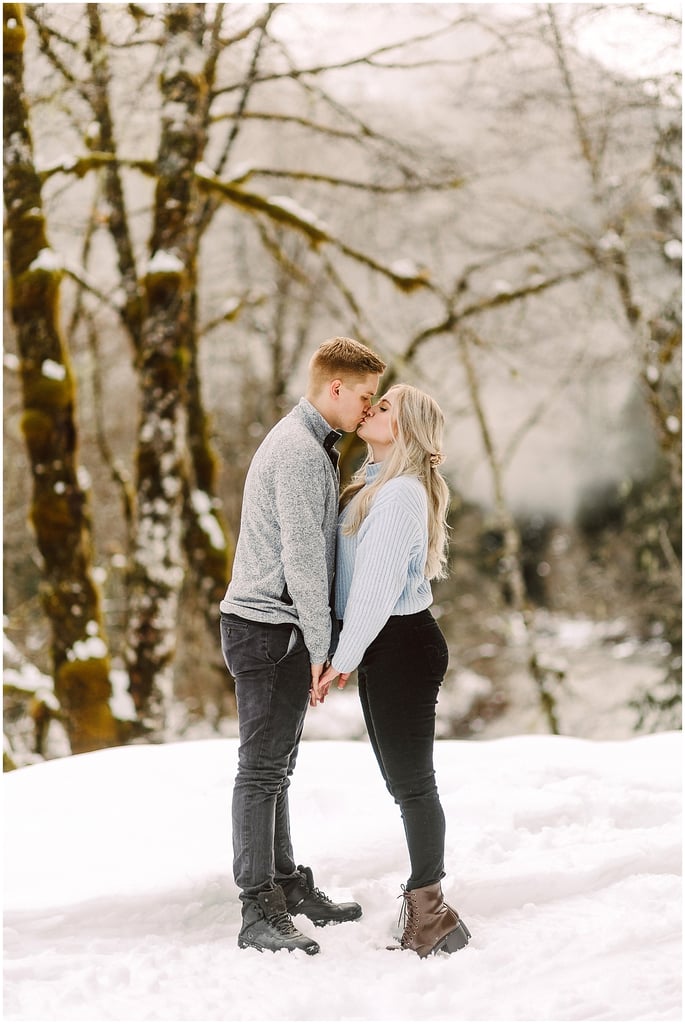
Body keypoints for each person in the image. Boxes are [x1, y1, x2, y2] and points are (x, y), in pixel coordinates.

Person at [220, 336, 386, 955]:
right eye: (365, 397)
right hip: (266, 629)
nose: (369, 409)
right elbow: (303, 560)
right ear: (335, 388)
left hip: (282, 629)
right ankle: (256, 908)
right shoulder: (295, 450)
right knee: (260, 771)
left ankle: (285, 884)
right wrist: (322, 647)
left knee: (278, 769)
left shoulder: (316, 447)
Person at [314, 383, 471, 958]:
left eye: (384, 408)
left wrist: (339, 660)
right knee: (403, 783)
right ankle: (428, 909)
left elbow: (376, 590)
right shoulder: (376, 484)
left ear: (404, 428)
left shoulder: (402, 494)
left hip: (401, 644)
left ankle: (430, 911)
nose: (370, 409)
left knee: (412, 784)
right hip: (386, 645)